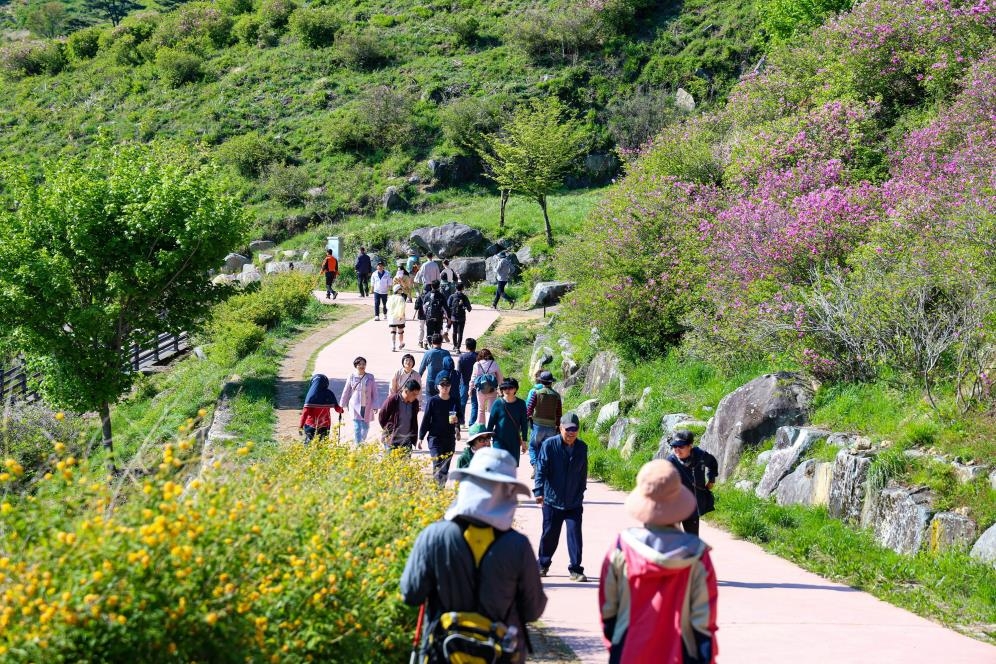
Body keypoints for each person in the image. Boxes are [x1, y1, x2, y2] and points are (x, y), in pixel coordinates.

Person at [400, 447, 547, 664]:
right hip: (499, 656)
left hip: (441, 654)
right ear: (509, 492)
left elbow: (411, 593)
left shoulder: (434, 536)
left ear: (468, 484)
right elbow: (533, 609)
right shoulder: (518, 546)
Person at [599, 460, 719, 664]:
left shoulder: (621, 549)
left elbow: (608, 610)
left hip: (629, 651)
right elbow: (704, 619)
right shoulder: (697, 555)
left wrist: (617, 645)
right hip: (682, 653)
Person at [534, 412, 588, 582]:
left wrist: (581, 490)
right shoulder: (549, 445)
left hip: (573, 502)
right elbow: (541, 468)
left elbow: (583, 471)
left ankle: (576, 569)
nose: (571, 433)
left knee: (575, 536)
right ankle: (542, 565)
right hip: (552, 500)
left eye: (575, 429)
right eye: (568, 429)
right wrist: (538, 491)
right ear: (560, 428)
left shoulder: (582, 447)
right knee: (550, 535)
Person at [656, 430, 719, 536]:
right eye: (674, 446)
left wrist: (711, 479)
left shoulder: (701, 456)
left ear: (690, 446)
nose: (677, 450)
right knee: (671, 538)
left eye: (681, 446)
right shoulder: (670, 461)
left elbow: (713, 463)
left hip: (692, 506)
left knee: (692, 539)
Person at [418, 375, 462, 486]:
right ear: (438, 387)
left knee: (445, 466)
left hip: (449, 438)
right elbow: (426, 419)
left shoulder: (454, 401)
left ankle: (440, 489)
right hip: (435, 438)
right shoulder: (433, 401)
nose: (445, 387)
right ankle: (436, 488)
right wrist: (420, 437)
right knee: (437, 462)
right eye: (442, 385)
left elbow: (461, 417)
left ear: (450, 386)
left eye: (447, 385)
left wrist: (457, 422)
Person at [526, 370, 562, 475]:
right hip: (551, 426)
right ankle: (544, 467)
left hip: (537, 425)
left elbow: (529, 408)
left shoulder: (536, 393)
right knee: (546, 448)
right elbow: (559, 413)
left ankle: (535, 466)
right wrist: (558, 426)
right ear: (551, 382)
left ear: (541, 382)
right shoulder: (557, 396)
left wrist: (529, 419)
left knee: (533, 446)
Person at [487, 378, 528, 466]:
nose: (507, 390)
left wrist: (524, 441)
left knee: (511, 467)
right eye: (504, 388)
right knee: (498, 465)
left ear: (515, 389)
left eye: (510, 388)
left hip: (514, 441)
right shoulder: (497, 403)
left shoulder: (521, 404)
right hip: (499, 440)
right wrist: (486, 439)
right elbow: (490, 423)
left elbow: (524, 423)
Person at [339, 356, 379, 444]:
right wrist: (341, 405)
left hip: (367, 406)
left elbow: (374, 392)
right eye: (359, 364)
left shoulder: (370, 377)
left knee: (365, 427)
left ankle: (361, 441)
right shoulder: (352, 376)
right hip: (354, 405)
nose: (362, 366)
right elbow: (346, 391)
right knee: (357, 426)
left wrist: (375, 405)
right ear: (356, 365)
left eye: (364, 364)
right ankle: (358, 445)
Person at [378, 379, 421, 453]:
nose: (415, 397)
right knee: (391, 463)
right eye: (414, 394)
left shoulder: (415, 403)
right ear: (406, 391)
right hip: (392, 439)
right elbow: (382, 416)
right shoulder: (393, 400)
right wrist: (388, 431)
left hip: (407, 440)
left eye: (417, 394)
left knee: (405, 464)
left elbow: (413, 420)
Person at [298, 373, 343, 443]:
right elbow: (337, 409)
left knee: (309, 444)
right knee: (323, 445)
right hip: (325, 424)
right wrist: (341, 410)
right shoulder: (329, 394)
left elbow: (305, 412)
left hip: (310, 424)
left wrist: (300, 426)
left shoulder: (310, 395)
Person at [470, 349, 502, 426]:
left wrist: (470, 389)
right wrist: (499, 388)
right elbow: (500, 377)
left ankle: (481, 428)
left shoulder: (477, 364)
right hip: (492, 389)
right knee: (490, 410)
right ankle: (489, 427)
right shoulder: (494, 363)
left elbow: (473, 378)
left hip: (480, 390)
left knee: (481, 409)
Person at [417, 333, 449, 398]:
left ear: (432, 342)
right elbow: (449, 367)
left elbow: (422, 367)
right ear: (441, 342)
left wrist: (417, 379)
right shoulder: (446, 353)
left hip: (430, 381)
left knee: (429, 401)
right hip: (442, 382)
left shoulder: (428, 353)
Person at [447, 282, 472, 353]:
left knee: (454, 332)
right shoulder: (464, 297)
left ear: (455, 288)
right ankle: (458, 347)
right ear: (463, 288)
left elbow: (448, 306)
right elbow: (469, 309)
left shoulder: (452, 296)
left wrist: (449, 316)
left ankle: (454, 346)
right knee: (460, 332)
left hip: (453, 317)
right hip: (462, 317)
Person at [458, 338, 478, 424]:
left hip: (465, 383)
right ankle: (472, 423)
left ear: (466, 347)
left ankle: (461, 422)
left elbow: (458, 372)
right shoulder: (478, 356)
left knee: (462, 403)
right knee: (475, 404)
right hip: (476, 383)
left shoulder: (462, 357)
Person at [386, 284, 407, 352]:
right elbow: (402, 308)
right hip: (399, 317)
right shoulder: (401, 298)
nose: (401, 290)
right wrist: (401, 316)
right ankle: (401, 343)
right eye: (400, 289)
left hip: (392, 317)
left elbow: (387, 307)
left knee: (393, 332)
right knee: (400, 332)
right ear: (398, 290)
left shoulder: (390, 297)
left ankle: (393, 345)